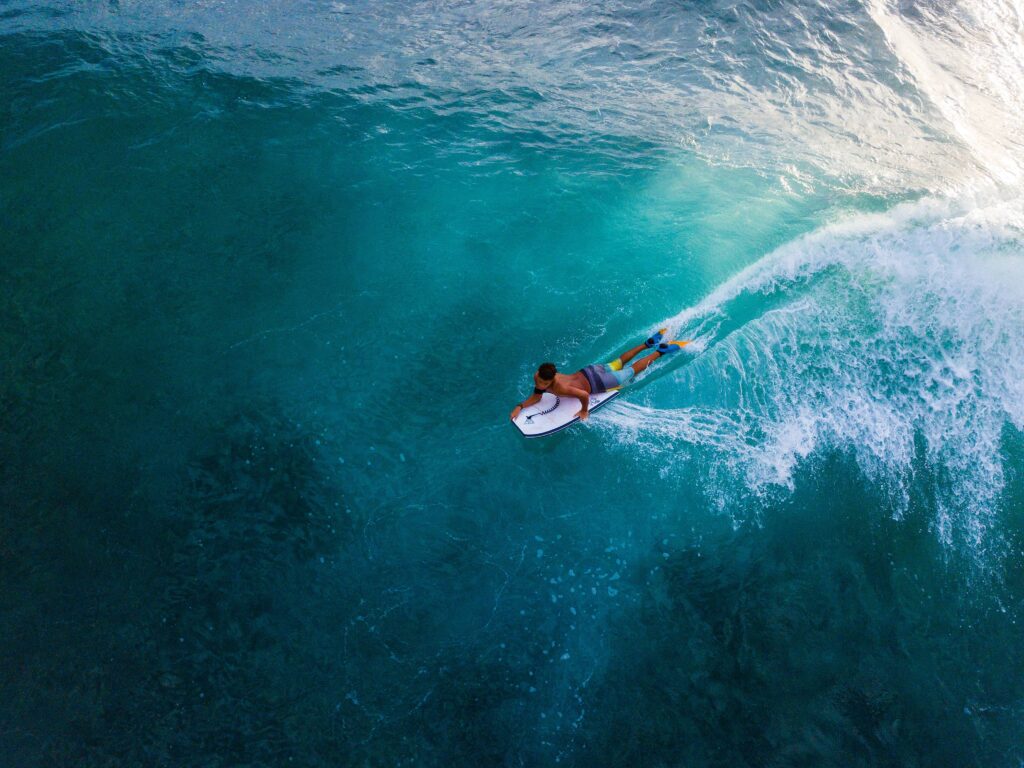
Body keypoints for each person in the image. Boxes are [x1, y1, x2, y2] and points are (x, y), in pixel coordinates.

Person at [509, 329, 688, 422]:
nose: (539, 384)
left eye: (543, 383)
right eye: (539, 380)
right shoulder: (539, 376)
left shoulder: (560, 387)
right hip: (591, 370)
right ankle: (647, 344)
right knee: (618, 362)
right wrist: (520, 406)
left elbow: (583, 395)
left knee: (632, 370)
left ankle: (660, 351)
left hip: (599, 382)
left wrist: (584, 411)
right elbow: (537, 395)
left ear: (551, 379)